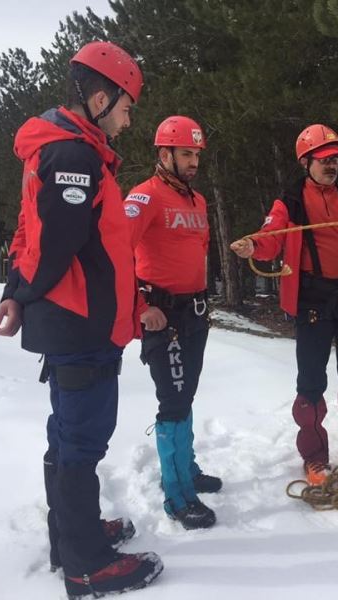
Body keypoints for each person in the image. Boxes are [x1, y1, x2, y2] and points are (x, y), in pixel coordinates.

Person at [0, 41, 165, 598]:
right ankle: (86, 565)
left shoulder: (70, 149)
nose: (129, 116)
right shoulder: (74, 156)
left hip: (78, 323)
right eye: (126, 105)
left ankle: (72, 536)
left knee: (67, 436)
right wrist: (23, 291)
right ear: (99, 98)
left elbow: (28, 233)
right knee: (80, 444)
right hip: (80, 326)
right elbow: (51, 246)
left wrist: (15, 292)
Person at [230, 124, 338, 486]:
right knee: (311, 382)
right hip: (312, 301)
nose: (332, 166)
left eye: (336, 159)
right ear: (306, 161)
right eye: (325, 160)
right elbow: (272, 236)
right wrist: (253, 247)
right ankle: (314, 456)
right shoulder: (291, 201)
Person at [123, 115, 220, 530]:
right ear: (165, 154)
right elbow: (114, 253)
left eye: (196, 154)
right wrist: (141, 304)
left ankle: (189, 467)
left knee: (186, 394)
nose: (193, 161)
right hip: (164, 318)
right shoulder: (144, 197)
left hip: (194, 313)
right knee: (174, 401)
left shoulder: (197, 201)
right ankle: (177, 494)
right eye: (186, 153)